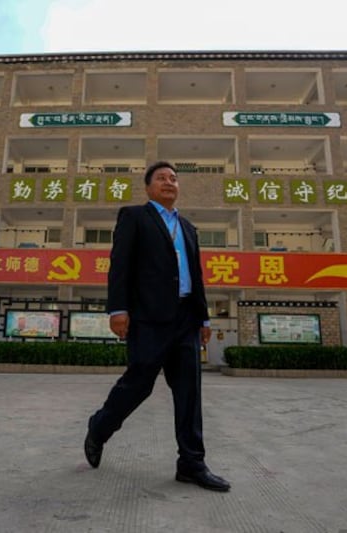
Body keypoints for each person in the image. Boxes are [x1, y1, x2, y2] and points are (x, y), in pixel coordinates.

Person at [84, 161, 230, 492]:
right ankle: (99, 427)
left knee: (189, 392)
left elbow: (196, 275)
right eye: (162, 178)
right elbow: (120, 265)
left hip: (186, 319)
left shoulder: (188, 227)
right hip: (148, 317)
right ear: (148, 187)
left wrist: (204, 317)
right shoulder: (135, 216)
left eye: (174, 179)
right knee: (138, 384)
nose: (169, 182)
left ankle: (191, 463)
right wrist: (118, 309)